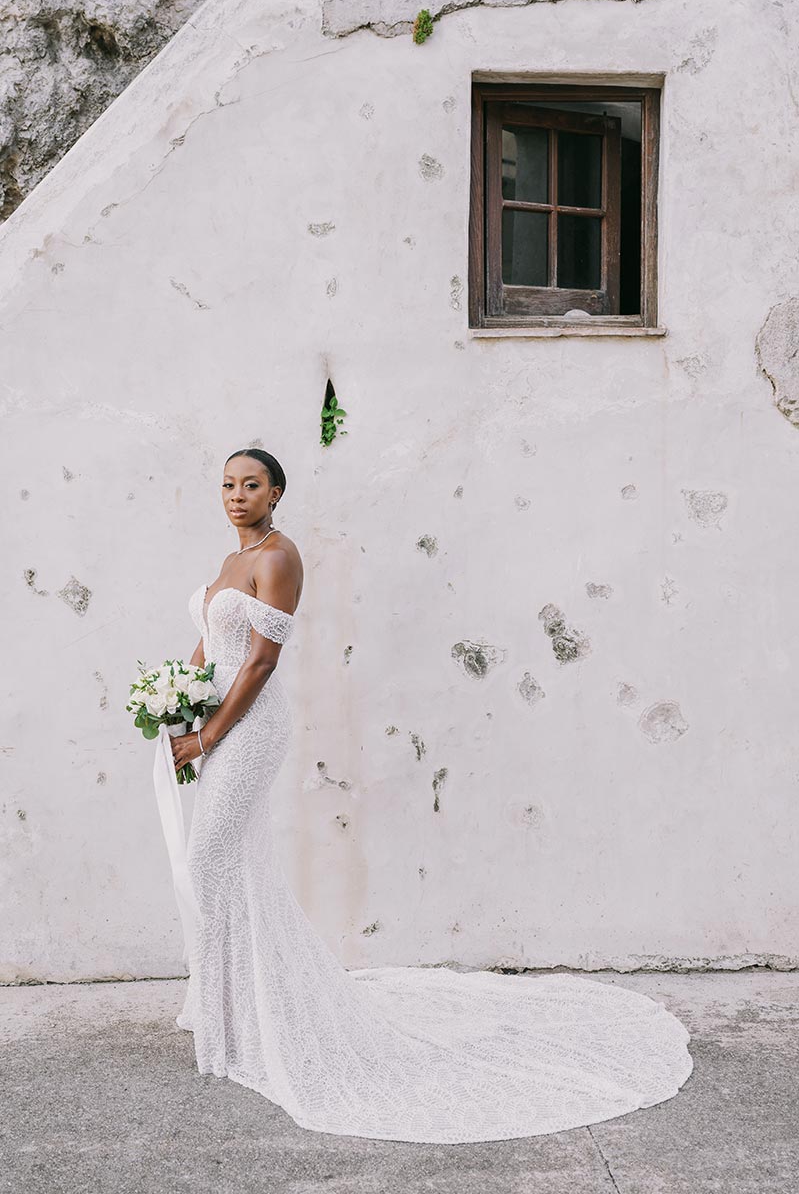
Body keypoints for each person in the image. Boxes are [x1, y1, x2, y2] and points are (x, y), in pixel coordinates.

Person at [167, 446, 693, 1144]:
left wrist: (206, 739)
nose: (237, 495)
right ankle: (234, 1012)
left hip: (249, 726)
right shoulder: (228, 563)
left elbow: (261, 661)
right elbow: (209, 645)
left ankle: (262, 1014)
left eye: (251, 485)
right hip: (213, 721)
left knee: (211, 861)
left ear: (276, 492)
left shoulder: (279, 557)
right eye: (228, 484)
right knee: (226, 865)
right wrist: (172, 698)